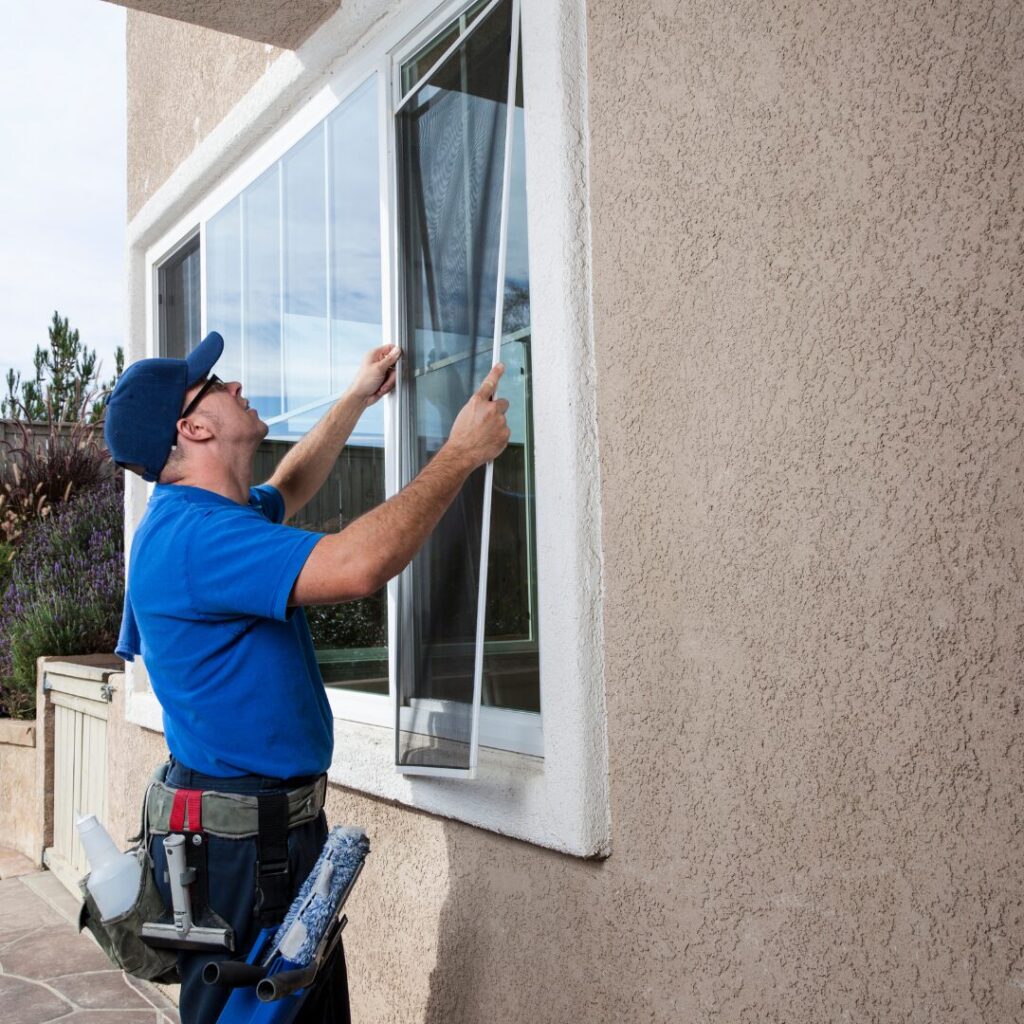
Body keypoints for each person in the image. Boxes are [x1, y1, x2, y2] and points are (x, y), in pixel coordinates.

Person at [103, 331, 509, 1023]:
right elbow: (358, 567)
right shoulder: (197, 541)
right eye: (216, 385)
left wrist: (353, 401)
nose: (235, 386)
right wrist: (461, 453)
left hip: (269, 839)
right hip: (239, 856)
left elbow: (290, 484)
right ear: (194, 426)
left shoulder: (215, 516)